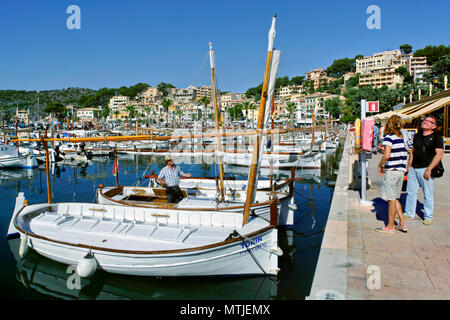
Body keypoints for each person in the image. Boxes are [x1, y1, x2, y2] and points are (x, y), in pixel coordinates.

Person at [404, 115, 444, 225]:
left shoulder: (437, 138)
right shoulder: (417, 135)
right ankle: (409, 213)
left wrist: (429, 169)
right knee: (411, 192)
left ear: (434, 126)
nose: (425, 122)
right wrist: (409, 166)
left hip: (426, 169)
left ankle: (428, 216)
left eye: (428, 121)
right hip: (414, 168)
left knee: (428, 194)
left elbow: (439, 154)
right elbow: (412, 151)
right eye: (424, 120)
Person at [376, 115, 409, 234]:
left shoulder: (389, 138)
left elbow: (387, 156)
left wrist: (380, 165)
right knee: (395, 198)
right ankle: (402, 224)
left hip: (392, 171)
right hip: (401, 171)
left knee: (391, 199)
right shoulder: (403, 137)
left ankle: (390, 226)